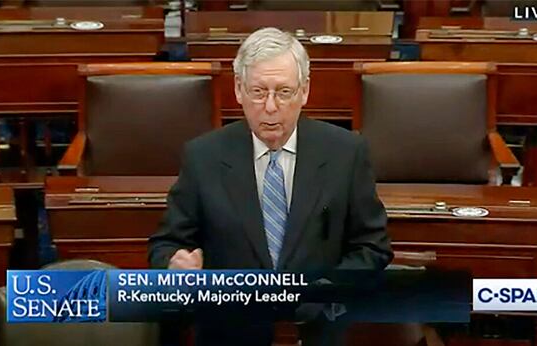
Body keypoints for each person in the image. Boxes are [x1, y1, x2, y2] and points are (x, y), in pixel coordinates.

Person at [148, 27, 392, 346]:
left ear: (304, 91)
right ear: (239, 90)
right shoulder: (203, 156)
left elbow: (373, 247)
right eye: (259, 92)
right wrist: (174, 264)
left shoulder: (346, 153)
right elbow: (166, 243)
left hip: (317, 331)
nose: (271, 107)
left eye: (284, 92)